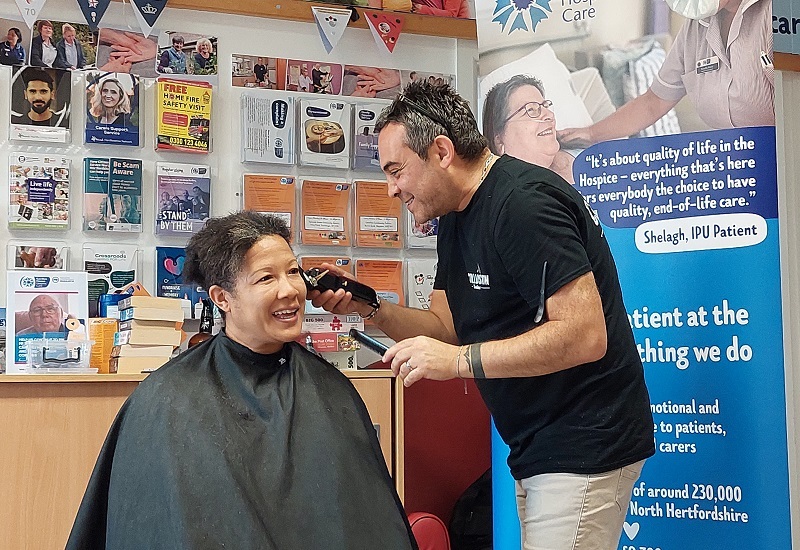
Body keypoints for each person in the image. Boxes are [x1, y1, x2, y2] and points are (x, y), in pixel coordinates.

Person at [311, 82, 655, 550]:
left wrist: (458, 364)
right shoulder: (455, 214)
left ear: (441, 151)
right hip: (534, 443)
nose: (391, 189)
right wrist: (370, 308)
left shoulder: (524, 204)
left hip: (586, 440)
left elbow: (585, 334)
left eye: (396, 170)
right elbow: (446, 329)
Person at [66, 212, 417, 550]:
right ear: (222, 298)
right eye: (266, 278)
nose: (290, 290)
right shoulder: (167, 399)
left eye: (293, 272)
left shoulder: (330, 388)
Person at [558, 0, 773, 147]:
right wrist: (591, 133)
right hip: (732, 164)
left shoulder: (779, 13)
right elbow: (654, 101)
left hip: (784, 159)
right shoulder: (696, 29)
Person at [483, 75, 575, 184]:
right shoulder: (506, 197)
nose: (549, 114)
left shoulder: (588, 156)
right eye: (531, 109)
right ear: (499, 140)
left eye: (545, 106)